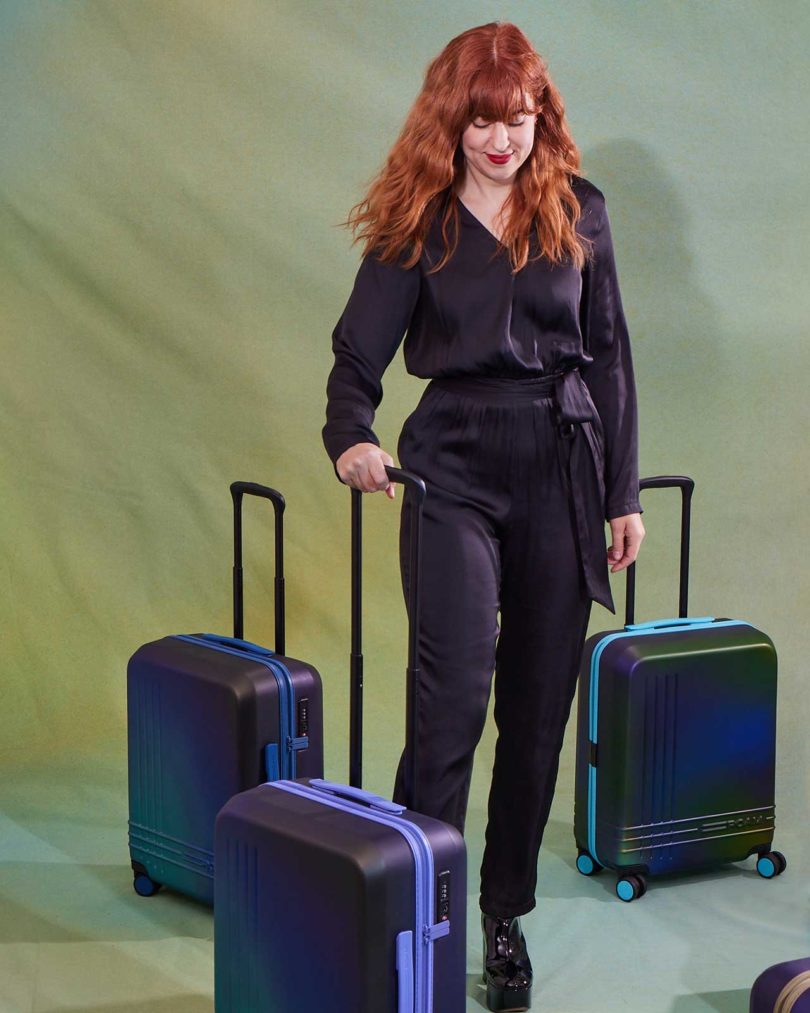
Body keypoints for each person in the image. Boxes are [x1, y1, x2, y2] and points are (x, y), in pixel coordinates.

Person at [322, 21, 645, 1013]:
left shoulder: (580, 212)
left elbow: (610, 359)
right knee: (453, 695)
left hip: (562, 465)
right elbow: (356, 360)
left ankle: (501, 909)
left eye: (522, 115)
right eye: (485, 119)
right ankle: (420, 894)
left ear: (541, 116)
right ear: (450, 119)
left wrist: (622, 492)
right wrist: (352, 437)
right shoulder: (418, 222)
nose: (505, 137)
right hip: (452, 465)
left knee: (539, 710)